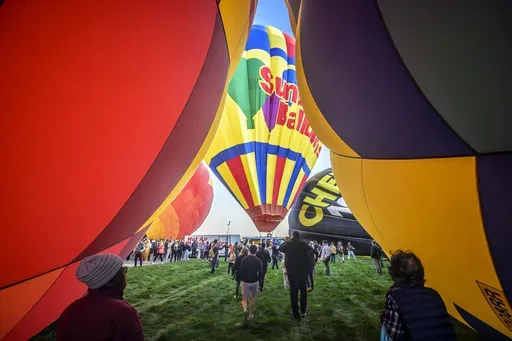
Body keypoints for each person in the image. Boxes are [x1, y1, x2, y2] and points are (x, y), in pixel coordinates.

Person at [57, 254, 144, 341]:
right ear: (116, 277)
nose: (125, 273)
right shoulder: (125, 313)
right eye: (124, 270)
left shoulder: (70, 310)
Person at [380, 250, 456, 341]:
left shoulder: (394, 297)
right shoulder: (434, 293)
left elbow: (394, 333)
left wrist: (384, 319)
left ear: (394, 274)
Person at [279, 231, 311, 319]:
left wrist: (286, 241)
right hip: (302, 271)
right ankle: (303, 311)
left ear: (292, 236)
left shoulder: (289, 244)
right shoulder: (304, 244)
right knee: (303, 290)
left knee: (293, 292)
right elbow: (309, 250)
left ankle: (296, 314)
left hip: (292, 271)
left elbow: (280, 248)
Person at [240, 245, 262, 321]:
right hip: (254, 281)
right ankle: (250, 314)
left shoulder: (244, 259)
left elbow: (241, 271)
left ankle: (245, 310)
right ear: (256, 251)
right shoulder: (258, 260)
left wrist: (242, 279)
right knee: (253, 298)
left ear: (249, 250)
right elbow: (261, 273)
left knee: (244, 298)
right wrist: (258, 279)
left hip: (245, 281)